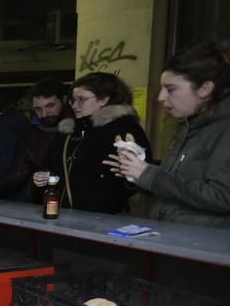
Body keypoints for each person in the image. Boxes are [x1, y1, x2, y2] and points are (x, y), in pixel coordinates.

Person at [105, 42, 230, 227]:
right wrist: (136, 173)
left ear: (205, 89)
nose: (161, 97)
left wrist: (149, 174)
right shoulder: (189, 126)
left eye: (170, 89)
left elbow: (223, 197)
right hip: (177, 241)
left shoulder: (224, 129)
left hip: (203, 250)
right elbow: (176, 188)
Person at [35, 72, 151, 214]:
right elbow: (49, 166)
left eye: (82, 99)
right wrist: (41, 176)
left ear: (104, 99)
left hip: (107, 219)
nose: (75, 105)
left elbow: (141, 178)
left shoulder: (124, 129)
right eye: (72, 100)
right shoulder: (68, 131)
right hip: (63, 214)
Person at [0, 79, 71, 202]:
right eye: (38, 109)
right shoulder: (30, 135)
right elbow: (18, 172)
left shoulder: (79, 131)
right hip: (43, 203)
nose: (44, 114)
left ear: (64, 101)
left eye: (50, 106)